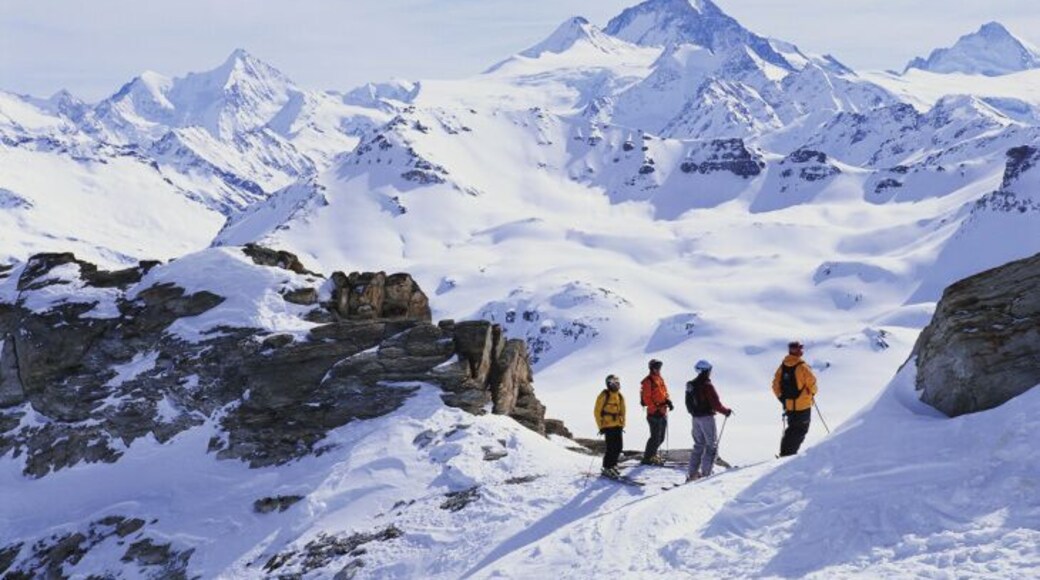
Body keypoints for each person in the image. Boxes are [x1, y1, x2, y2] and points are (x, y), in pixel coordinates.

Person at [684, 359, 732, 482]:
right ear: (706, 370)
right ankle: (705, 476)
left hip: (695, 419)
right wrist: (726, 411)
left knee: (698, 446)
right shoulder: (707, 385)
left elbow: (687, 403)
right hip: (706, 418)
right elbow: (715, 404)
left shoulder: (690, 385)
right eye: (710, 370)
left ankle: (692, 475)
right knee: (711, 446)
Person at [772, 340, 818, 457]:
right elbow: (812, 384)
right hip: (803, 406)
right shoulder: (802, 367)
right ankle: (788, 456)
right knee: (800, 430)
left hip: (789, 406)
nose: (801, 350)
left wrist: (782, 399)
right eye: (799, 348)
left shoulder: (783, 366)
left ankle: (785, 453)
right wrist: (811, 394)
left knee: (792, 429)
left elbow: (775, 385)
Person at [640, 359, 673, 465]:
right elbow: (646, 398)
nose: (658, 369)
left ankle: (652, 455)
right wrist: (656, 409)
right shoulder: (648, 381)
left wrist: (668, 401)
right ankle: (647, 458)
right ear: (651, 368)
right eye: (656, 367)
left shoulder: (659, 379)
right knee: (655, 437)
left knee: (661, 437)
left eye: (659, 367)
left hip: (662, 412)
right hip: (654, 414)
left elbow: (664, 392)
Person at [594, 374, 626, 479]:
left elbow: (623, 412)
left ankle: (613, 465)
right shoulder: (604, 395)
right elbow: (597, 411)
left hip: (617, 425)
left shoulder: (620, 396)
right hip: (607, 426)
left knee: (619, 447)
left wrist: (622, 424)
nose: (617, 385)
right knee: (611, 448)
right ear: (609, 384)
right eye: (614, 383)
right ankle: (607, 467)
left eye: (617, 382)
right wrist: (601, 426)